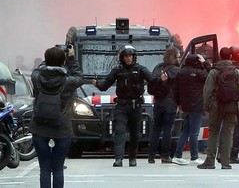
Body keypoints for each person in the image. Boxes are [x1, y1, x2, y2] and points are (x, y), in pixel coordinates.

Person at [93, 45, 167, 167]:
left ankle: (132, 158)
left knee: (135, 133)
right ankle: (118, 159)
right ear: (122, 58)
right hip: (121, 105)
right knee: (119, 131)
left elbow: (152, 80)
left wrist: (161, 79)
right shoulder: (117, 70)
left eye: (130, 56)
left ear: (134, 57)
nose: (128, 58)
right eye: (126, 56)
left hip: (136, 105)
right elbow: (105, 85)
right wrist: (97, 84)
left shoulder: (141, 69)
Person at [29, 46, 83, 188]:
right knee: (58, 169)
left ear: (46, 60)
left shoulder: (37, 78)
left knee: (45, 169)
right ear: (63, 61)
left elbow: (36, 70)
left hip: (39, 127)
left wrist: (45, 62)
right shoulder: (68, 81)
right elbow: (79, 77)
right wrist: (71, 59)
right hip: (61, 127)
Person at [198, 47, 239, 170]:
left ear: (220, 57)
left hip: (216, 106)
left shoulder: (214, 71)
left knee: (213, 132)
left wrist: (206, 106)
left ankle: (210, 161)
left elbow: (207, 90)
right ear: (230, 57)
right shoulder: (236, 71)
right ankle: (226, 162)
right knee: (228, 133)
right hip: (232, 106)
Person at [172, 54, 209, 165]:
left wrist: (179, 104)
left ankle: (177, 155)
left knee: (186, 130)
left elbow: (176, 90)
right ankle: (194, 157)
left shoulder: (180, 72)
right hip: (197, 105)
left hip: (186, 106)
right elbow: (211, 74)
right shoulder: (198, 73)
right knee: (194, 132)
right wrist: (205, 62)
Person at [148, 47, 181, 164]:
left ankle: (151, 156)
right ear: (173, 57)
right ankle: (165, 156)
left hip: (158, 102)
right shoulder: (177, 71)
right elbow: (180, 89)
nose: (180, 58)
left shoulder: (158, 68)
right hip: (171, 104)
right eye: (178, 56)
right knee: (168, 130)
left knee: (156, 129)